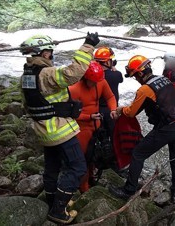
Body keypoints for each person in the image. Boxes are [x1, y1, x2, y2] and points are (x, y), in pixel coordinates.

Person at [20, 33, 99, 224]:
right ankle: (58, 210)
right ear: (44, 53)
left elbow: (27, 104)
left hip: (43, 130)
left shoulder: (26, 76)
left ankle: (52, 202)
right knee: (78, 167)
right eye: (50, 51)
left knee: (52, 167)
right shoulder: (46, 74)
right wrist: (88, 46)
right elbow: (73, 73)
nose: (51, 55)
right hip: (59, 130)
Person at [108, 55, 175, 204]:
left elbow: (131, 112)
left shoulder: (144, 90)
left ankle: (128, 190)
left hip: (168, 128)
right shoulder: (163, 79)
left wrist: (120, 109)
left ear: (139, 73)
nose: (135, 79)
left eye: (134, 76)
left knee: (138, 153)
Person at [68, 61, 118, 193]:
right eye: (93, 82)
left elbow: (110, 96)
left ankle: (91, 177)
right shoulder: (74, 89)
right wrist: (88, 117)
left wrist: (113, 109)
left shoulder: (100, 81)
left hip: (96, 126)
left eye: (97, 81)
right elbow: (69, 114)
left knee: (94, 156)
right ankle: (83, 187)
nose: (96, 84)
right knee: (83, 159)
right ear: (85, 78)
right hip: (81, 129)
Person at [94, 47, 123, 133]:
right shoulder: (116, 75)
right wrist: (113, 68)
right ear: (107, 62)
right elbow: (121, 79)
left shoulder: (93, 76)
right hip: (112, 109)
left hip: (97, 110)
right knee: (113, 134)